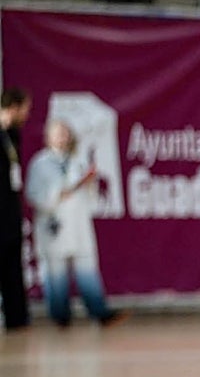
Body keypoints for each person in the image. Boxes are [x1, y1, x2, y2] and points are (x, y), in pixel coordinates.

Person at [24, 118, 127, 327]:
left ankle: (99, 311)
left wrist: (89, 184)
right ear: (48, 137)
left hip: (78, 224)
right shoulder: (40, 163)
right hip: (54, 224)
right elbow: (32, 194)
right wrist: (54, 195)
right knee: (56, 273)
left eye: (65, 133)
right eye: (57, 133)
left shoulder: (77, 161)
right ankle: (60, 316)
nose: (62, 137)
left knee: (87, 268)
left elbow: (90, 194)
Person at [0, 87, 32, 332]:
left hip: (10, 208)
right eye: (25, 109)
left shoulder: (13, 134)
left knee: (13, 262)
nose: (27, 114)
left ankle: (17, 318)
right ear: (14, 106)